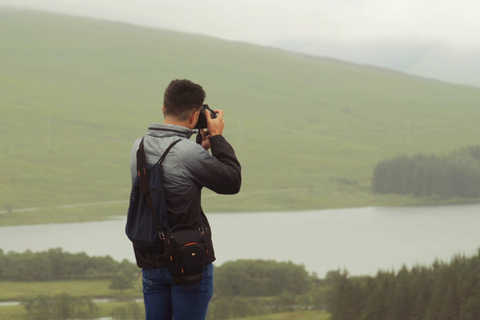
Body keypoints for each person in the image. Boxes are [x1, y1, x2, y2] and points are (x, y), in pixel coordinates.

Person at [129, 79, 241, 320]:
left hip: (152, 260)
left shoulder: (138, 147)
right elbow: (232, 182)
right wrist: (217, 138)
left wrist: (201, 145)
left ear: (163, 108)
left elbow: (170, 176)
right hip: (187, 260)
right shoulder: (188, 153)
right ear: (195, 116)